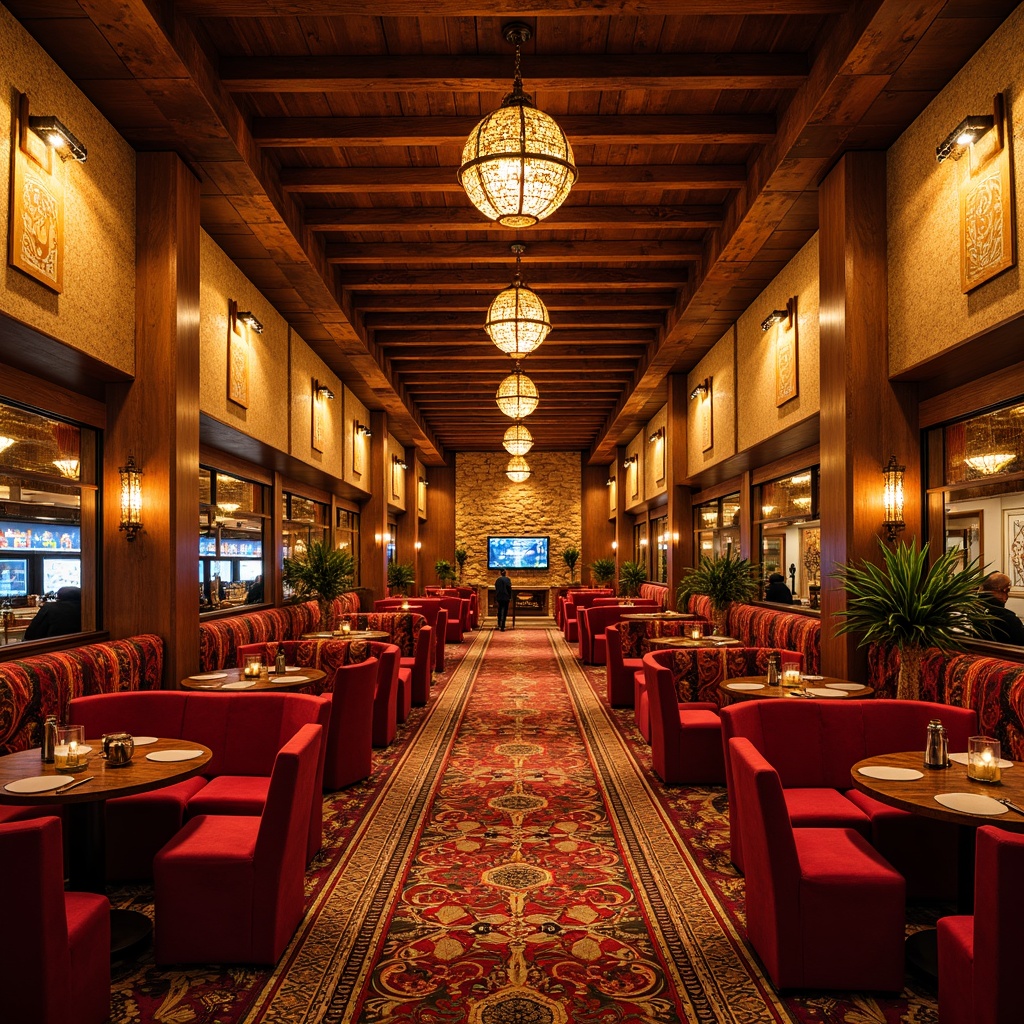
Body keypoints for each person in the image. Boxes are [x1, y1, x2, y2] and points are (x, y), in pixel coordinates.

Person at [978, 573, 1024, 645]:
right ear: (1003, 590)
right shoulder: (1008, 619)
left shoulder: (970, 611)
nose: (1007, 597)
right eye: (1007, 591)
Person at [494, 568, 512, 632]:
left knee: (499, 610)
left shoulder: (497, 580)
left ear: (500, 573)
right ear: (505, 573)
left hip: (499, 597)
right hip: (506, 597)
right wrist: (510, 597)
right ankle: (503, 626)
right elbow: (509, 589)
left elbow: (496, 588)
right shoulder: (507, 579)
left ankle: (499, 624)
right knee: (504, 612)